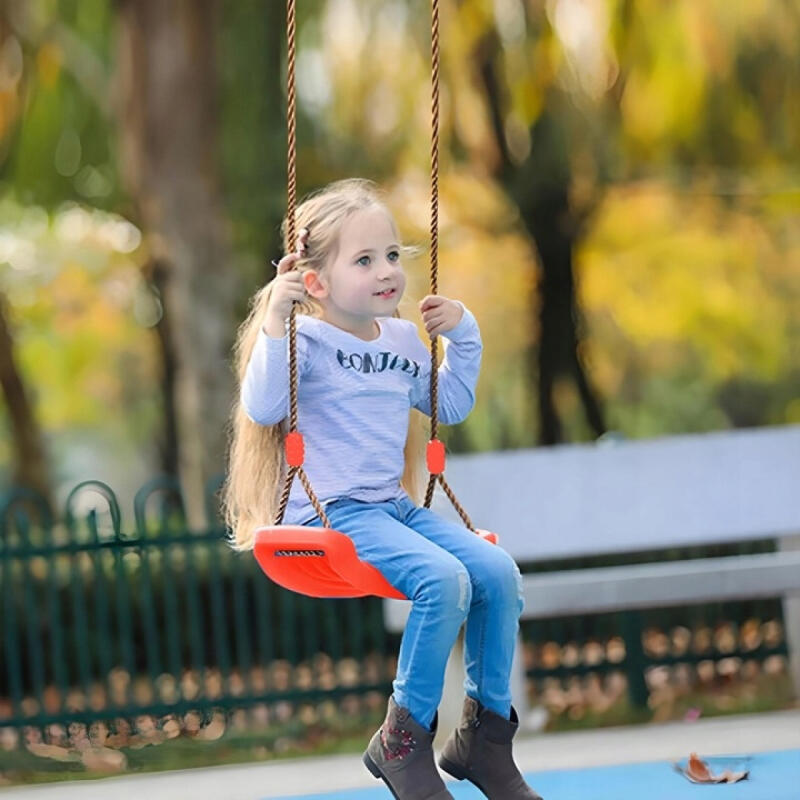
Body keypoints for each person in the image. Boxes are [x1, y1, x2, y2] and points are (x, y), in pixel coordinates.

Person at [223, 178, 541, 800]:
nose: (386, 272)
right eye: (364, 260)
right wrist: (273, 320)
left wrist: (465, 335)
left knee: (498, 573)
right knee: (442, 581)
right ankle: (402, 741)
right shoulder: (303, 341)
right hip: (330, 514)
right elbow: (263, 406)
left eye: (392, 256)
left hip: (392, 510)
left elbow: (448, 401)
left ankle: (484, 738)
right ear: (315, 281)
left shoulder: (402, 340)